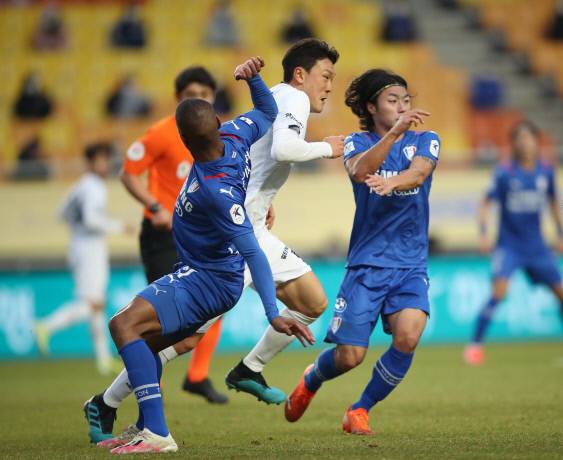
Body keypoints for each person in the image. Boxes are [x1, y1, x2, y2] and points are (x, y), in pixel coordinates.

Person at [93, 57, 314, 455]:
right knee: (146, 341)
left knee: (123, 325)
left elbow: (253, 253)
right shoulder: (234, 135)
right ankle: (142, 425)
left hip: (209, 277)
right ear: (216, 122)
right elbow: (267, 110)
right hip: (199, 270)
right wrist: (255, 79)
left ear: (183, 138)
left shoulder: (219, 191)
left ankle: (157, 435)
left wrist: (271, 311)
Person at [284, 68, 438, 435]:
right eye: (392, 101)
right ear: (371, 107)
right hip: (367, 265)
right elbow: (358, 171)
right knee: (350, 356)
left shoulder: (427, 139)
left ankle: (359, 410)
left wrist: (392, 181)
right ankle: (312, 378)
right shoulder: (355, 142)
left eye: (406, 100)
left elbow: (418, 174)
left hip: (410, 265)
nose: (402, 107)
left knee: (409, 336)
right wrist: (395, 133)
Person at [223, 38, 343, 404]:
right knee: (186, 334)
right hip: (235, 233)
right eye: (325, 76)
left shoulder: (275, 96)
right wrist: (328, 148)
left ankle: (249, 369)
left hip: (252, 225)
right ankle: (108, 400)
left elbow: (257, 154)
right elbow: (284, 149)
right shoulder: (295, 98)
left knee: (311, 302)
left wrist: (263, 199)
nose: (329, 86)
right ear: (300, 74)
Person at [119, 66, 229, 405]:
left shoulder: (218, 136)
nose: (199, 98)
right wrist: (154, 207)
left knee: (215, 306)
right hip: (164, 235)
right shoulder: (160, 133)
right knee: (162, 316)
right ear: (178, 98)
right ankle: (151, 394)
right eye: (192, 93)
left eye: (206, 93)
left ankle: (197, 376)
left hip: (200, 235)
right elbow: (129, 174)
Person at [464, 120, 563, 366]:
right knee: (499, 292)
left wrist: (561, 233)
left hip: (537, 246)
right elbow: (485, 203)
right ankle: (474, 346)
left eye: (530, 138)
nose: (526, 143)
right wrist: (483, 233)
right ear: (513, 144)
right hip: (509, 246)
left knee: (562, 293)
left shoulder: (546, 171)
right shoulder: (504, 173)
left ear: (537, 142)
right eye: (521, 139)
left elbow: (552, 202)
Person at [35, 142, 129, 375]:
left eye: (106, 159)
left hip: (78, 246)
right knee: (92, 304)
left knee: (96, 304)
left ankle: (104, 360)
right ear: (91, 162)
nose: (105, 164)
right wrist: (118, 226)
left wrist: (77, 227)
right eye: (101, 159)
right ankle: (46, 325)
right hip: (89, 248)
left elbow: (61, 213)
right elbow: (90, 219)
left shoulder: (79, 186)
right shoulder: (94, 186)